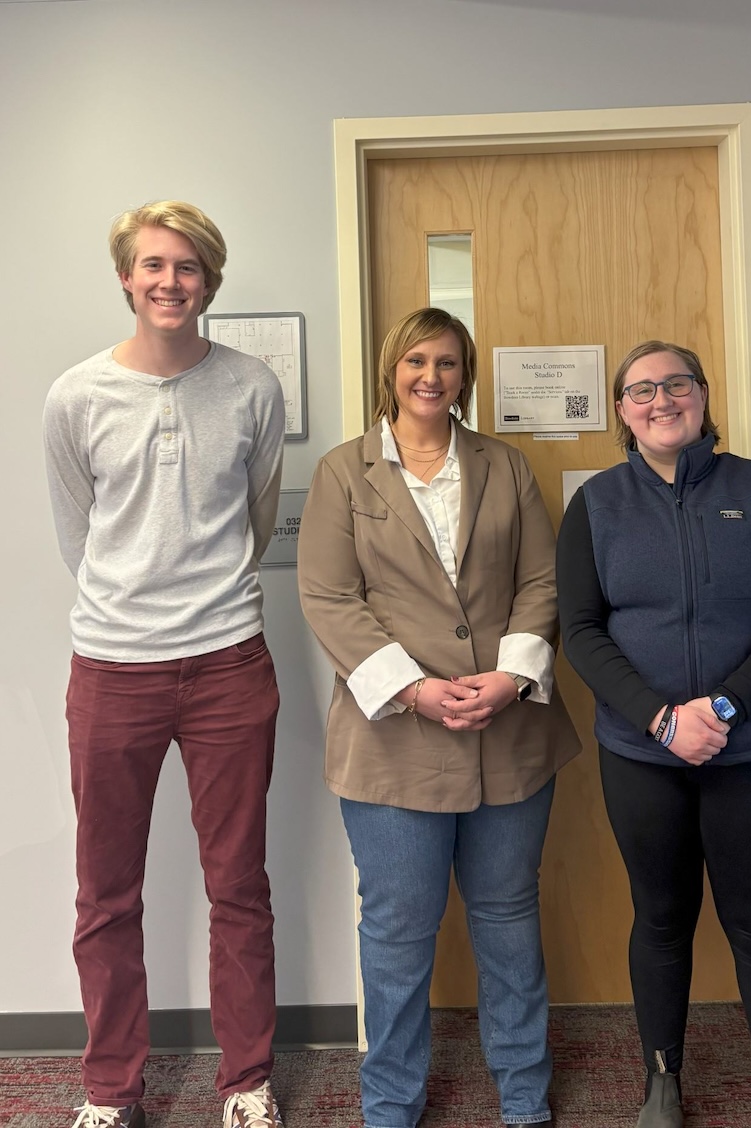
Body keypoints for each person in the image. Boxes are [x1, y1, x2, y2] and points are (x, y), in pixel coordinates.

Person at [297, 307, 580, 1128]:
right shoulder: (343, 473)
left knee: (508, 919)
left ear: (467, 374)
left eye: (449, 362)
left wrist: (510, 677)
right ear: (392, 371)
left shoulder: (507, 465)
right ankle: (390, 1103)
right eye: (417, 361)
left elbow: (542, 581)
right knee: (396, 931)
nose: (432, 377)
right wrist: (415, 689)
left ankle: (524, 1096)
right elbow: (329, 598)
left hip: (509, 733)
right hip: (392, 741)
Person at [43, 201, 286, 1128]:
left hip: (229, 662)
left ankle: (247, 1083)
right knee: (106, 891)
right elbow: (82, 536)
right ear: (125, 277)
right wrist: (139, 605)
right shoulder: (75, 396)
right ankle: (111, 1091)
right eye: (153, 266)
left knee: (240, 885)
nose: (170, 282)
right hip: (111, 669)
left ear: (209, 281)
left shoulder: (254, 388)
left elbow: (255, 524)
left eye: (188, 267)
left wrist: (199, 599)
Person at [556, 341, 751, 1128]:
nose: (660, 399)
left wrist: (726, 709)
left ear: (704, 396)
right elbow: (580, 630)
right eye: (640, 389)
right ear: (620, 411)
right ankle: (662, 1085)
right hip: (644, 756)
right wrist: (664, 718)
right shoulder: (597, 506)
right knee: (661, 918)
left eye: (676, 383)